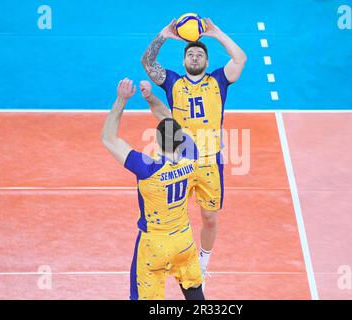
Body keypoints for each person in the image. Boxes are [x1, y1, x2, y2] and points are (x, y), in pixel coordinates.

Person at [140, 18, 247, 284]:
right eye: (191, 53)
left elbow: (240, 59)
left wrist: (217, 33)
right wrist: (164, 34)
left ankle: (203, 261)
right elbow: (148, 63)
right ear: (184, 60)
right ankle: (168, 256)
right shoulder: (172, 82)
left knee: (209, 218)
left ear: (207, 62)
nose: (195, 56)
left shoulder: (219, 80)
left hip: (211, 161)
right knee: (171, 214)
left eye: (200, 53)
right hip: (179, 160)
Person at [101, 78, 204, 300]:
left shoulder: (147, 168)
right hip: (184, 240)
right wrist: (151, 98)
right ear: (181, 139)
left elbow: (108, 139)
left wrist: (121, 100)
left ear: (156, 140)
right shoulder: (191, 155)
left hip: (155, 246)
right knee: (194, 292)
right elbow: (170, 122)